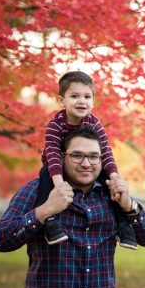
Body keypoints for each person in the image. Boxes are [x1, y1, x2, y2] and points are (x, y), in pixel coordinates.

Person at [0, 127, 145, 288]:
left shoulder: (112, 196)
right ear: (62, 157)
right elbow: (1, 239)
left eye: (94, 156)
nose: (86, 163)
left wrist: (129, 206)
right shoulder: (37, 191)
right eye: (77, 156)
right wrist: (45, 210)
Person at [38, 71, 136, 249]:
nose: (82, 101)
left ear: (93, 100)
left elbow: (105, 150)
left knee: (109, 184)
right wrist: (59, 183)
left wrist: (114, 176)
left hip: (86, 165)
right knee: (44, 179)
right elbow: (52, 153)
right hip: (56, 166)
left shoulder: (94, 123)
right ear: (62, 101)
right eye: (75, 96)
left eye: (87, 96)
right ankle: (50, 222)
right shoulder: (56, 124)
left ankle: (124, 225)